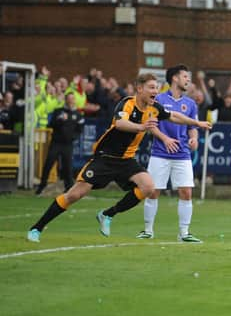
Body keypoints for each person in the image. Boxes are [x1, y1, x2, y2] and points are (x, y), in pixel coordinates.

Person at [26, 73, 212, 243]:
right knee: (74, 194)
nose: (155, 91)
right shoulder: (127, 103)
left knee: (148, 186)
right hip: (105, 158)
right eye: (151, 87)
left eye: (156, 87)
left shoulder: (154, 107)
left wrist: (196, 123)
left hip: (126, 160)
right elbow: (121, 123)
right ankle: (37, 228)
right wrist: (141, 127)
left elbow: (174, 116)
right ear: (140, 89)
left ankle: (107, 215)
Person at [136, 65, 203, 243]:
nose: (188, 80)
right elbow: (151, 125)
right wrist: (165, 139)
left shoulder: (190, 104)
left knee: (186, 192)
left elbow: (192, 128)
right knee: (153, 191)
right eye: (185, 76)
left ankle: (184, 233)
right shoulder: (157, 99)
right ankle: (148, 230)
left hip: (182, 154)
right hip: (160, 153)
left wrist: (194, 139)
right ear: (174, 78)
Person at [35, 92, 85, 195]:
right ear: (66, 100)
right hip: (56, 143)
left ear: (74, 101)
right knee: (49, 163)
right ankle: (42, 186)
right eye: (69, 99)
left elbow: (79, 130)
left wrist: (73, 138)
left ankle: (69, 188)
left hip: (68, 144)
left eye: (72, 99)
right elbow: (51, 124)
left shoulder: (78, 115)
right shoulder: (58, 112)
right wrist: (60, 120)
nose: (71, 101)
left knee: (68, 166)